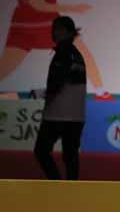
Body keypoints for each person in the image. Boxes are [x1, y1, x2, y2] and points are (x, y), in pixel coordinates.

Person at [33, 16, 87, 180]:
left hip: (58, 114)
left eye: (57, 28)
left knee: (41, 151)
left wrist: (38, 93)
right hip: (76, 116)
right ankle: (71, 192)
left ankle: (57, 186)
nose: (53, 31)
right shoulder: (77, 55)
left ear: (67, 31)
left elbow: (56, 84)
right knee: (70, 156)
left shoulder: (63, 53)